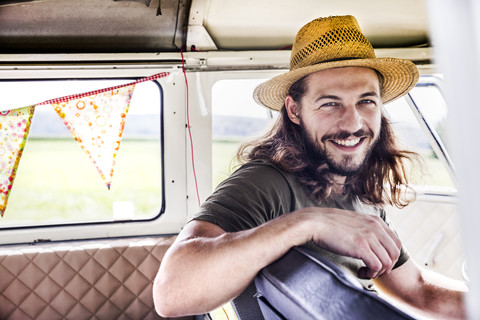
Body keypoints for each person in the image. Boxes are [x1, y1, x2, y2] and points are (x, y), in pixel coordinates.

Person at [153, 15, 467, 319]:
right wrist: (308, 223)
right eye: (330, 103)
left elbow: (417, 289)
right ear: (294, 110)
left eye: (366, 101)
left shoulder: (358, 192)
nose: (353, 123)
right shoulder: (265, 182)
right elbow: (171, 293)